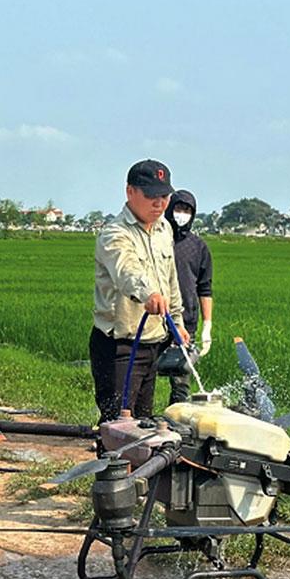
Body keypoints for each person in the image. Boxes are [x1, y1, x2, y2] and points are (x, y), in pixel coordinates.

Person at [90, 159, 189, 425]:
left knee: (143, 424)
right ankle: (111, 467)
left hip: (154, 341)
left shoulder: (164, 229)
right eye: (151, 196)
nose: (159, 203)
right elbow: (127, 271)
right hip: (120, 346)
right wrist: (148, 294)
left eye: (164, 196)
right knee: (118, 427)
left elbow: (170, 281)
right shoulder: (114, 234)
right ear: (130, 192)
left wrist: (177, 324)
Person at [164, 190, 214, 404]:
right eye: (178, 208)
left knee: (181, 382)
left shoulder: (199, 247)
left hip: (186, 323)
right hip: (154, 318)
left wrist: (207, 325)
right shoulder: (159, 239)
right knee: (145, 375)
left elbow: (205, 288)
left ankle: (174, 425)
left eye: (187, 210)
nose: (181, 214)